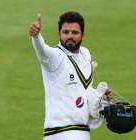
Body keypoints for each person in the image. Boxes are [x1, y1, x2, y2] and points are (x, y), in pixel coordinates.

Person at [29, 11, 111, 140]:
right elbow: (43, 52)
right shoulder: (55, 57)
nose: (70, 36)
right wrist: (36, 36)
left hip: (81, 132)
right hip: (60, 132)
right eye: (65, 32)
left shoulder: (85, 55)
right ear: (59, 35)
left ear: (83, 36)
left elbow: (82, 91)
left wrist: (101, 99)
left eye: (74, 32)